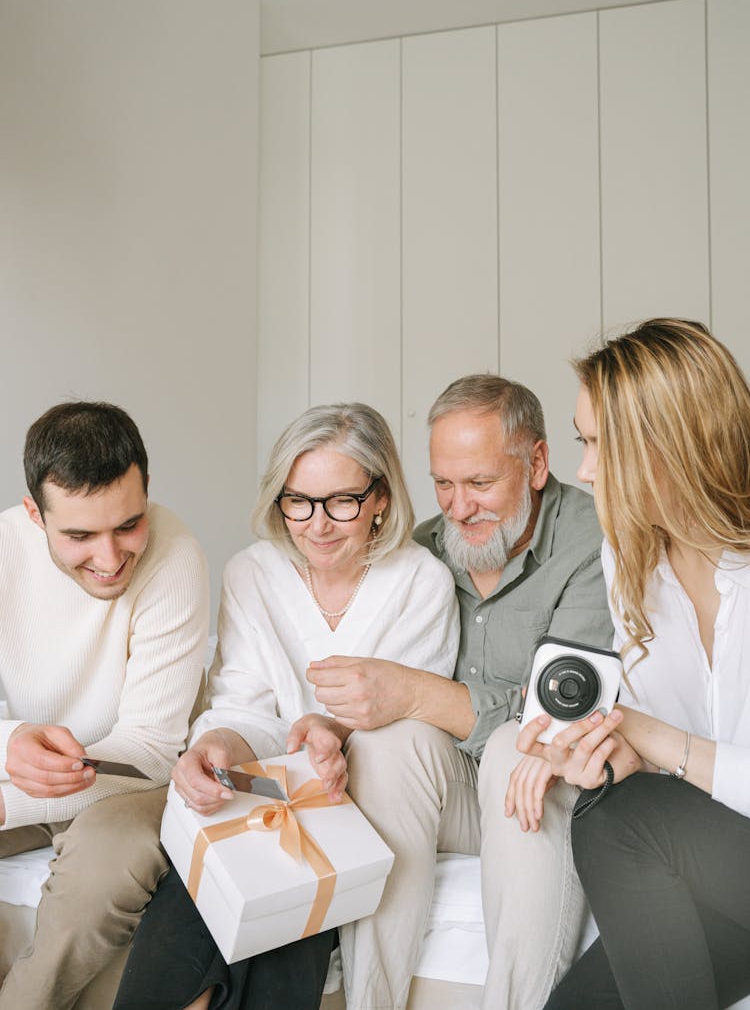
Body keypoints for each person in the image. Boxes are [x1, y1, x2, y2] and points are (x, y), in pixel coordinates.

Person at [114, 401, 459, 1010]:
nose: (317, 525)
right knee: (197, 900)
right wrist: (215, 747)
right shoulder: (253, 572)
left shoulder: (421, 582)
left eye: (341, 502)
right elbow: (241, 703)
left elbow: (402, 730)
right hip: (255, 798)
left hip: (347, 809)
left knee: (286, 909)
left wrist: (330, 735)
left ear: (381, 496)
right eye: (297, 501)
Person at [307, 375, 614, 1010]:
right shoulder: (422, 551)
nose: (458, 506)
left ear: (535, 464)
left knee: (512, 746)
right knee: (388, 746)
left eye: (479, 484)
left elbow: (558, 724)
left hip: (550, 789)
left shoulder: (593, 543)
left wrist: (415, 692)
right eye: (443, 484)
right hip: (457, 793)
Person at [516, 318, 750, 1010]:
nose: (582, 470)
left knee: (617, 817)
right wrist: (609, 756)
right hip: (719, 858)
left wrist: (650, 740)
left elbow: (669, 753)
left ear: (670, 448)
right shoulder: (632, 557)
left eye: (597, 444)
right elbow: (664, 771)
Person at [0, 401, 209, 1010]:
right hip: (26, 773)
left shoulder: (176, 557)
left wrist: (12, 799)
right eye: (80, 535)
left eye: (128, 525)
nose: (112, 558)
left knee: (107, 862)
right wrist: (11, 740)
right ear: (34, 515)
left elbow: (147, 750)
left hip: (131, 781)